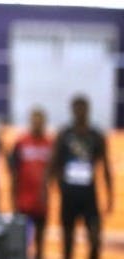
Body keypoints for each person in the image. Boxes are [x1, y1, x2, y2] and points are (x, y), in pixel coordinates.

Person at [49, 95, 112, 259]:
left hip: (89, 196)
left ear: (88, 110)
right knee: (68, 240)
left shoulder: (96, 136)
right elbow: (54, 163)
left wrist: (110, 195)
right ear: (72, 111)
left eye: (83, 108)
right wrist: (54, 186)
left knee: (95, 238)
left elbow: (105, 166)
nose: (80, 112)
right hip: (69, 195)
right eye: (77, 109)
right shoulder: (65, 135)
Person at [8, 106, 53, 259]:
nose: (37, 124)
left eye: (40, 121)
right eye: (34, 121)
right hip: (23, 200)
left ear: (44, 122)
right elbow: (13, 171)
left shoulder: (50, 144)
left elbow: (53, 172)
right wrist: (13, 197)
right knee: (21, 242)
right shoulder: (21, 142)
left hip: (41, 201)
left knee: (40, 242)